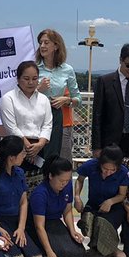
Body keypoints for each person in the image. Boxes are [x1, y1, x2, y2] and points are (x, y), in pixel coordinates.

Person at [0, 136, 44, 257]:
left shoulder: (19, 172)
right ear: (11, 157)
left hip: (16, 221)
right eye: (22, 153)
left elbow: (23, 202)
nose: (24, 156)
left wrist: (21, 228)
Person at [91, 43, 129, 159]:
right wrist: (97, 146)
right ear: (121, 60)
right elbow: (97, 116)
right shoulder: (105, 81)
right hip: (112, 139)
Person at [0, 60, 53, 183]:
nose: (31, 82)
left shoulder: (43, 99)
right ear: (18, 79)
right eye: (26, 78)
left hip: (39, 148)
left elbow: (47, 124)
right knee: (17, 186)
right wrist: (27, 147)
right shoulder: (9, 98)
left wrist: (40, 144)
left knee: (38, 186)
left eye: (35, 78)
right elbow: (11, 127)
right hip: (16, 148)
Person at [75, 145, 129, 257]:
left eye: (112, 170)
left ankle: (112, 247)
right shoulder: (91, 165)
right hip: (94, 204)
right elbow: (79, 180)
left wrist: (110, 202)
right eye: (105, 169)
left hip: (114, 207)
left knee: (104, 223)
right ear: (100, 164)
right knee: (87, 222)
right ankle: (94, 245)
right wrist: (77, 197)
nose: (108, 173)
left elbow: (122, 195)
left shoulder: (124, 172)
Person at [30, 156, 86, 257]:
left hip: (56, 222)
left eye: (67, 180)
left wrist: (72, 230)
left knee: (79, 252)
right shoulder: (40, 194)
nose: (64, 184)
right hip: (41, 225)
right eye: (61, 181)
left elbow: (67, 210)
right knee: (60, 253)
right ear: (51, 176)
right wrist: (49, 252)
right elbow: (39, 227)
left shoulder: (67, 186)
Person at [35, 28, 81, 162]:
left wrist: (66, 100)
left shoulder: (68, 70)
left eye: (46, 42)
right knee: (39, 162)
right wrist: (39, 88)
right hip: (37, 122)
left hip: (60, 123)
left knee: (61, 163)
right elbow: (23, 95)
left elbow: (78, 99)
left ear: (56, 45)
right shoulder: (34, 68)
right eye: (40, 43)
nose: (42, 46)